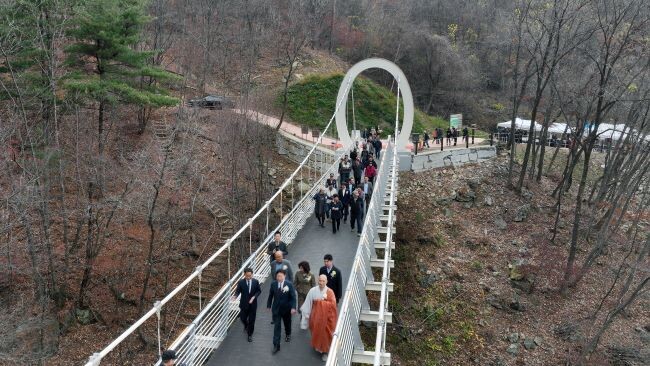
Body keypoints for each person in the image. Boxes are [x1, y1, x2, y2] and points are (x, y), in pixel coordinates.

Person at [300, 274, 338, 361]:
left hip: (326, 319)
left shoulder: (330, 292)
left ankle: (325, 351)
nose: (321, 283)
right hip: (315, 317)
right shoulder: (312, 291)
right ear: (318, 280)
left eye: (323, 281)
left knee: (325, 336)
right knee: (315, 332)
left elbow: (333, 305)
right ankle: (318, 346)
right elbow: (308, 303)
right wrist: (306, 315)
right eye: (320, 280)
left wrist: (320, 303)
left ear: (326, 282)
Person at [267, 269, 297, 354]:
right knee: (277, 327)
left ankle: (288, 334)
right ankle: (276, 345)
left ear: (284, 276)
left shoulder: (289, 285)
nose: (279, 278)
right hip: (276, 309)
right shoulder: (273, 284)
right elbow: (270, 295)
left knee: (287, 323)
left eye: (280, 276)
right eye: (277, 276)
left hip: (286, 309)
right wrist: (269, 305)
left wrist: (293, 307)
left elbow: (293, 297)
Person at [234, 268, 262, 342]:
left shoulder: (256, 282)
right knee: (243, 318)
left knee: (252, 320)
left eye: (250, 275)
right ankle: (246, 325)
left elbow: (259, 291)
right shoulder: (241, 282)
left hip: (253, 304)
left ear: (252, 274)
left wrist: (254, 297)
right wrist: (235, 296)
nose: (249, 277)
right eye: (247, 276)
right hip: (244, 304)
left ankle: (250, 335)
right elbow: (237, 291)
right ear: (244, 275)